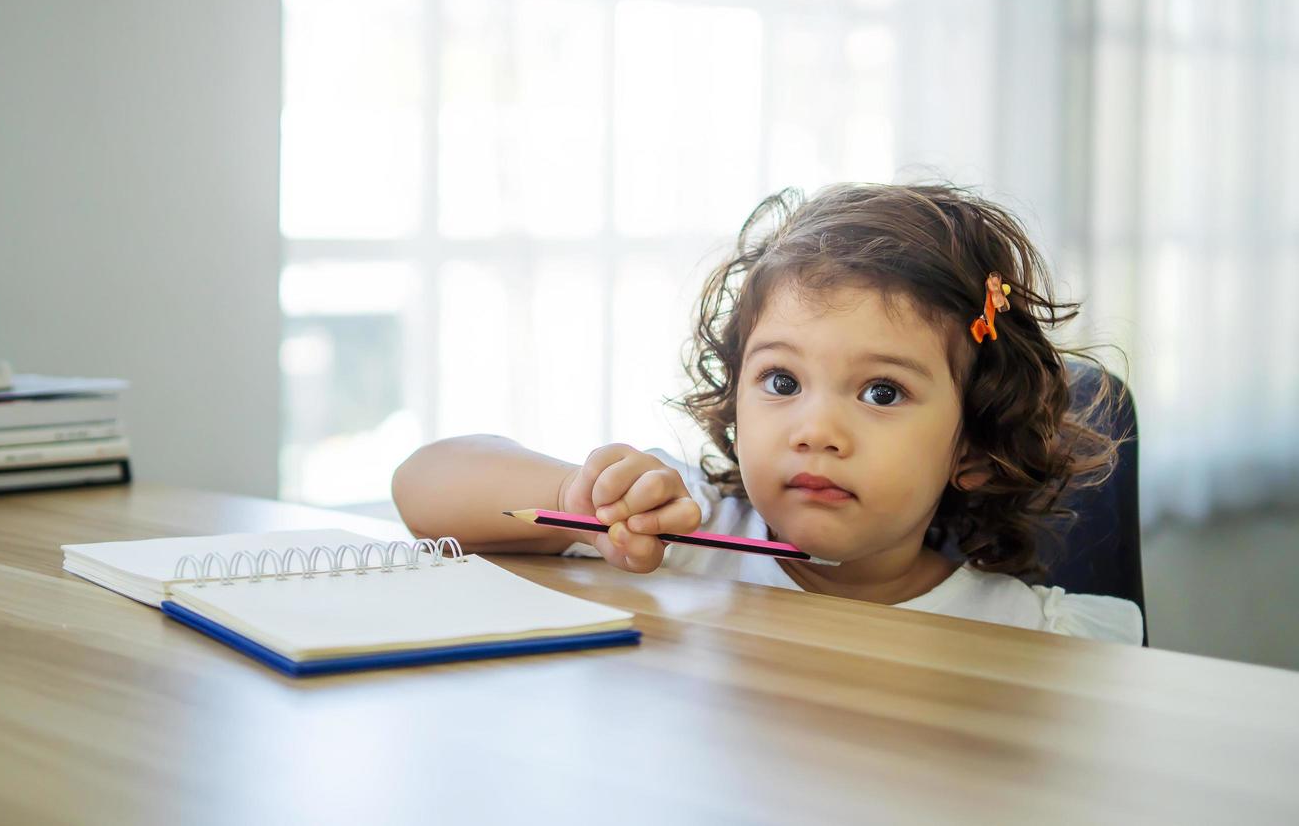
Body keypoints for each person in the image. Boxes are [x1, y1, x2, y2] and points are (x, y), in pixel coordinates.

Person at [392, 182, 1144, 644]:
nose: (814, 430)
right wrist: (572, 497)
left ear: (972, 448)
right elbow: (422, 489)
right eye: (782, 382)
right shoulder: (685, 540)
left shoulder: (1032, 634)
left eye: (881, 392)